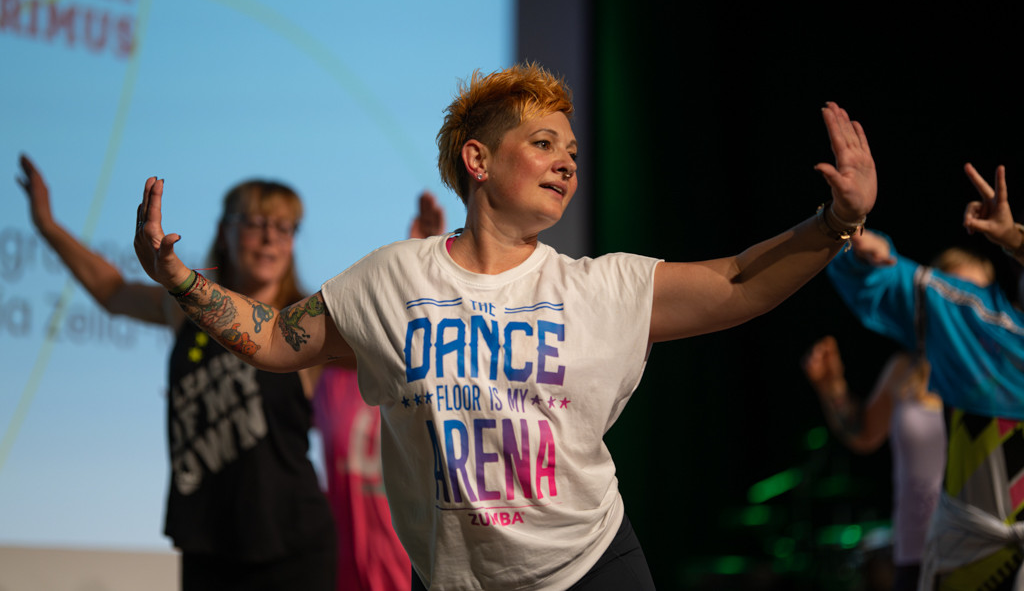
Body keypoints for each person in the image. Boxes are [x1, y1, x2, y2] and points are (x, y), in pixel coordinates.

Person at [133, 63, 877, 590]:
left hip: (589, 567)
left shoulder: (598, 287)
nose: (567, 164)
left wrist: (835, 222)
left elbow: (740, 282)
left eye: (573, 152)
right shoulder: (394, 278)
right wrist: (180, 280)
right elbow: (273, 337)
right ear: (478, 159)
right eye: (544, 144)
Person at [18, 155, 336, 590]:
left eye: (284, 227)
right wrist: (48, 226)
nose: (270, 238)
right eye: (255, 223)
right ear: (224, 231)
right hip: (207, 541)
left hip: (293, 547)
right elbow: (112, 292)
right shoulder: (184, 308)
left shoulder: (307, 323)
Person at [826, 163, 1024, 590]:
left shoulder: (1000, 353)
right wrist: (848, 230)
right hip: (948, 558)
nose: (965, 309)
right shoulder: (945, 354)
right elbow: (877, 280)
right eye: (958, 298)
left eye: (974, 298)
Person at [309, 192, 446, 591]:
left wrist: (425, 269)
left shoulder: (426, 372)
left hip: (422, 574)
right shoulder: (328, 380)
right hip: (345, 577)